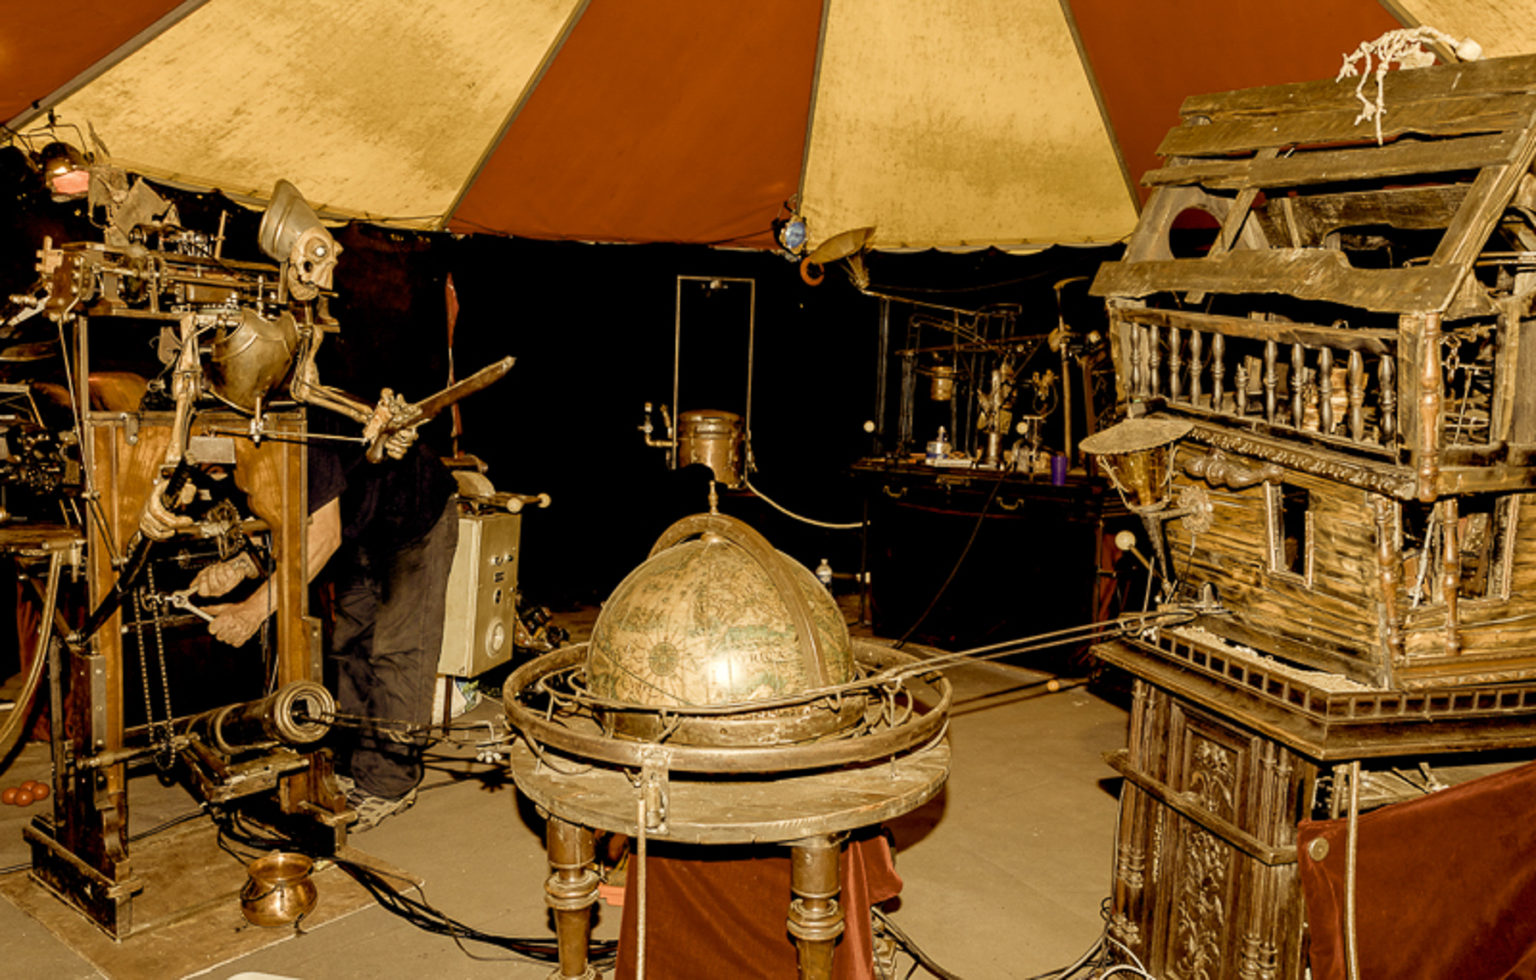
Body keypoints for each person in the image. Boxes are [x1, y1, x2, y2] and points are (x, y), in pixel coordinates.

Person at [194, 428, 459, 831]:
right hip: (359, 530)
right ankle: (353, 767)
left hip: (412, 520)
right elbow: (285, 521)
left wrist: (252, 610)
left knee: (399, 653)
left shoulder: (294, 429)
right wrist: (239, 567)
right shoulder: (239, 458)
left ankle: (390, 785)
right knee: (349, 648)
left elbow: (321, 535)